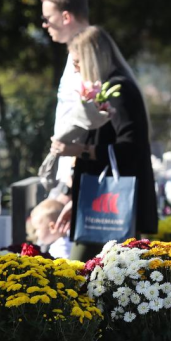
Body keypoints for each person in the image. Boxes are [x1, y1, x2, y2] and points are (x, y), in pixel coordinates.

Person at [52, 26, 159, 261]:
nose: (76, 68)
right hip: (100, 201)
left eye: (78, 62)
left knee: (83, 271)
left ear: (93, 59)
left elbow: (130, 148)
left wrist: (78, 150)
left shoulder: (118, 90)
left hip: (110, 205)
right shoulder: (111, 89)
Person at [40, 0, 91, 199]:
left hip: (78, 174)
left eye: (47, 19)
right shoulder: (77, 52)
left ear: (66, 18)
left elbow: (91, 116)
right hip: (71, 173)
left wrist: (70, 181)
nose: (44, 25)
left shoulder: (87, 55)